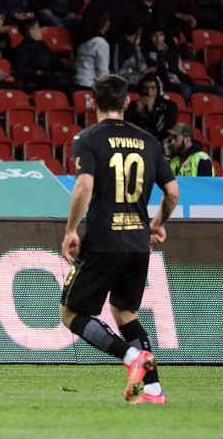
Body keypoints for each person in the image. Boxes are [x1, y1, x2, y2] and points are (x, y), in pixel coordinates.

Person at [61, 74, 179, 405]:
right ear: (127, 102)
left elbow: (84, 185)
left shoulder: (88, 138)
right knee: (125, 313)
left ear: (92, 103)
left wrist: (71, 230)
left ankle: (131, 357)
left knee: (70, 313)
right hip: (139, 243)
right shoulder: (148, 141)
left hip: (103, 239)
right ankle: (153, 390)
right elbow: (172, 192)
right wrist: (157, 223)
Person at [12, 17, 72, 95]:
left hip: (51, 76)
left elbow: (55, 61)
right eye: (38, 28)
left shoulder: (43, 45)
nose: (40, 31)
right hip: (39, 81)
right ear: (32, 32)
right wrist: (36, 72)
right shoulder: (23, 48)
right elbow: (19, 69)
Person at [124, 72, 178, 142]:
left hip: (159, 142)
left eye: (153, 88)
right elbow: (125, 124)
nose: (149, 92)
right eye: (145, 88)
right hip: (137, 141)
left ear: (158, 89)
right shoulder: (133, 105)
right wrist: (136, 110)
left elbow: (165, 130)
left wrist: (150, 111)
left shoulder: (170, 106)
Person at [73, 10, 111, 90]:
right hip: (89, 85)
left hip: (77, 81)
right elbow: (102, 72)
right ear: (107, 24)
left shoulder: (83, 40)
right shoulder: (101, 44)